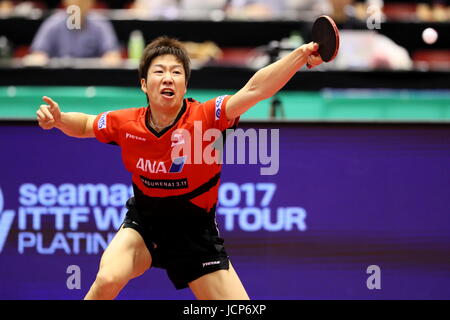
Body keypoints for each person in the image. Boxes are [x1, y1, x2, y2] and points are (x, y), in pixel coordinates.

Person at [36, 36, 322, 300]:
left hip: (195, 233)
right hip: (145, 225)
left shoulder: (206, 117)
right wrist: (59, 120)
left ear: (185, 85)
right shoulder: (126, 124)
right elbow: (87, 124)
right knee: (108, 278)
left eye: (176, 72)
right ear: (144, 84)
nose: (167, 78)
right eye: (159, 71)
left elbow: (256, 89)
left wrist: (299, 56)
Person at [24, 0, 121, 66]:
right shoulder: (52, 24)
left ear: (91, 2)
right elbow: (37, 55)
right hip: (59, 82)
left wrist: (110, 59)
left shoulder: (101, 25)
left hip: (93, 82)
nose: (78, 3)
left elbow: (113, 56)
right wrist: (38, 59)